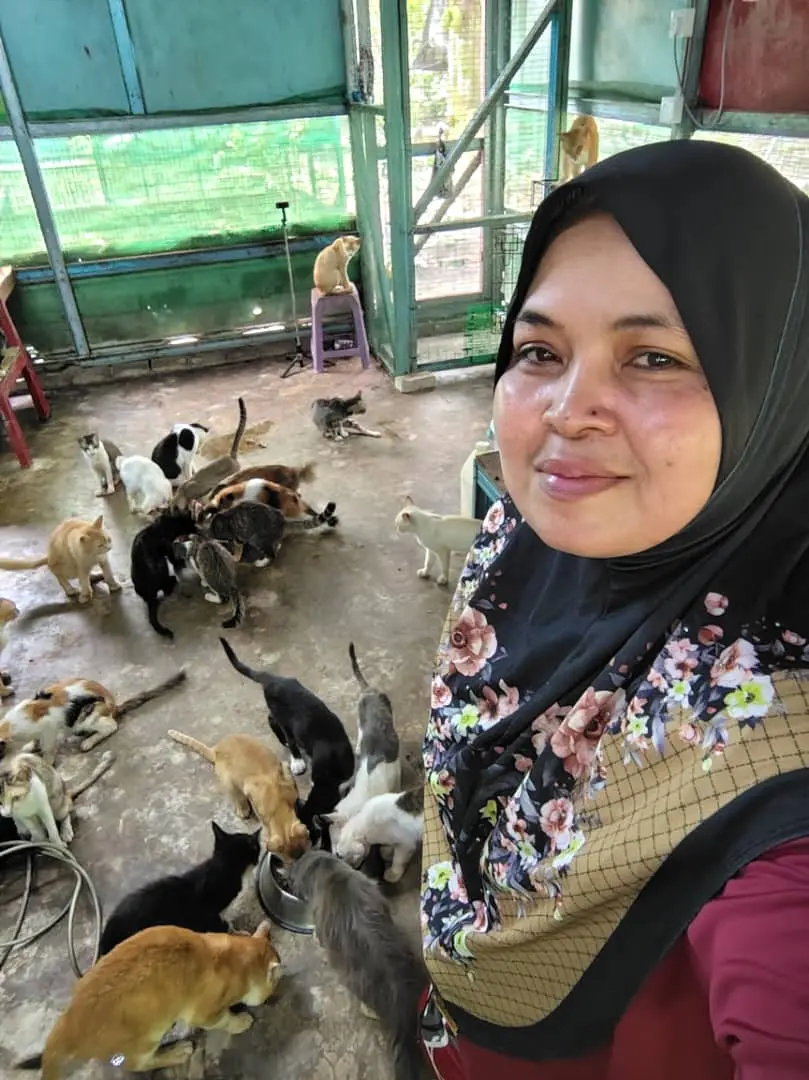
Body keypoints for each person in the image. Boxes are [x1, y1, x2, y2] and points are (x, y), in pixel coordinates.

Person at [418, 139, 809, 1080]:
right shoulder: (523, 537)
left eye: (654, 357)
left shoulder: (774, 759)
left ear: (777, 388)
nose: (566, 407)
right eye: (539, 350)